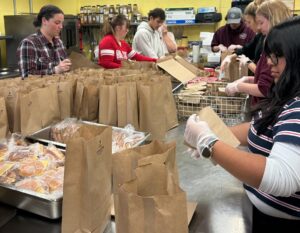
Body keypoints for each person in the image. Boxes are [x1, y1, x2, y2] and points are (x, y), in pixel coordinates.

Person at [184, 16, 300, 233]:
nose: (269, 63)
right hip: (262, 213)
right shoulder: (286, 93)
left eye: (278, 56)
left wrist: (210, 144)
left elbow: (281, 177)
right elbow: (260, 129)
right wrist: (218, 134)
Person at [225, 0, 291, 107]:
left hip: (267, 106)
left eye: (261, 22)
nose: (258, 27)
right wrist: (248, 80)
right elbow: (267, 81)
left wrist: (239, 86)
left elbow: (264, 88)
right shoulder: (267, 40)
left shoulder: (274, 47)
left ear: (273, 19)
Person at [17, 5, 71, 78]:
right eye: (57, 23)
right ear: (44, 21)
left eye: (62, 23)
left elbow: (65, 69)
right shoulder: (29, 43)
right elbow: (26, 76)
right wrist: (55, 70)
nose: (61, 26)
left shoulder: (59, 42)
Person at [221, 1, 266, 73]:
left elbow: (264, 75)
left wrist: (247, 62)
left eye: (249, 22)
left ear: (258, 20)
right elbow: (246, 50)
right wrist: (230, 57)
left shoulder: (269, 39)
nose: (247, 25)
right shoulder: (259, 37)